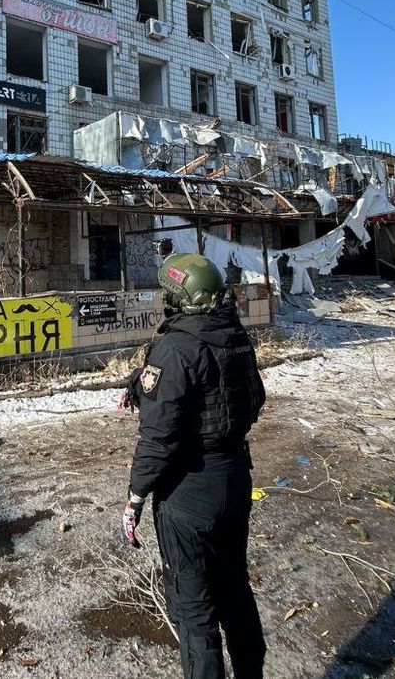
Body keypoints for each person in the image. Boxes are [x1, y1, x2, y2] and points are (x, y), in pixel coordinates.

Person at [122, 252, 267, 679]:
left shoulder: (176, 345)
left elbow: (158, 437)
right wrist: (139, 383)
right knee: (235, 590)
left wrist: (134, 497)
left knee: (195, 610)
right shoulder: (235, 335)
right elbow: (249, 397)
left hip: (188, 493)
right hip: (235, 478)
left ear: (177, 298)